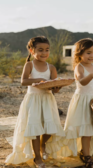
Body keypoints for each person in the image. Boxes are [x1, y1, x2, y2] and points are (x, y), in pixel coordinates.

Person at [50, 38, 93, 168]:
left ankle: (86, 150)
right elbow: (82, 81)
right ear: (80, 54)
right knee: (85, 129)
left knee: (92, 129)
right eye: (88, 53)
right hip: (83, 101)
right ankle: (86, 155)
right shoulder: (79, 67)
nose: (92, 56)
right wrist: (92, 75)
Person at [5, 36, 65, 168]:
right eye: (40, 50)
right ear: (32, 51)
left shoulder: (52, 68)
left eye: (47, 50)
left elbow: (55, 89)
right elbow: (23, 81)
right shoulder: (29, 65)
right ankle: (37, 157)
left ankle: (43, 144)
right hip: (33, 100)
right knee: (36, 128)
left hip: (48, 99)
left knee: (50, 128)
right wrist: (37, 80)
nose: (44, 53)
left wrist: (57, 87)